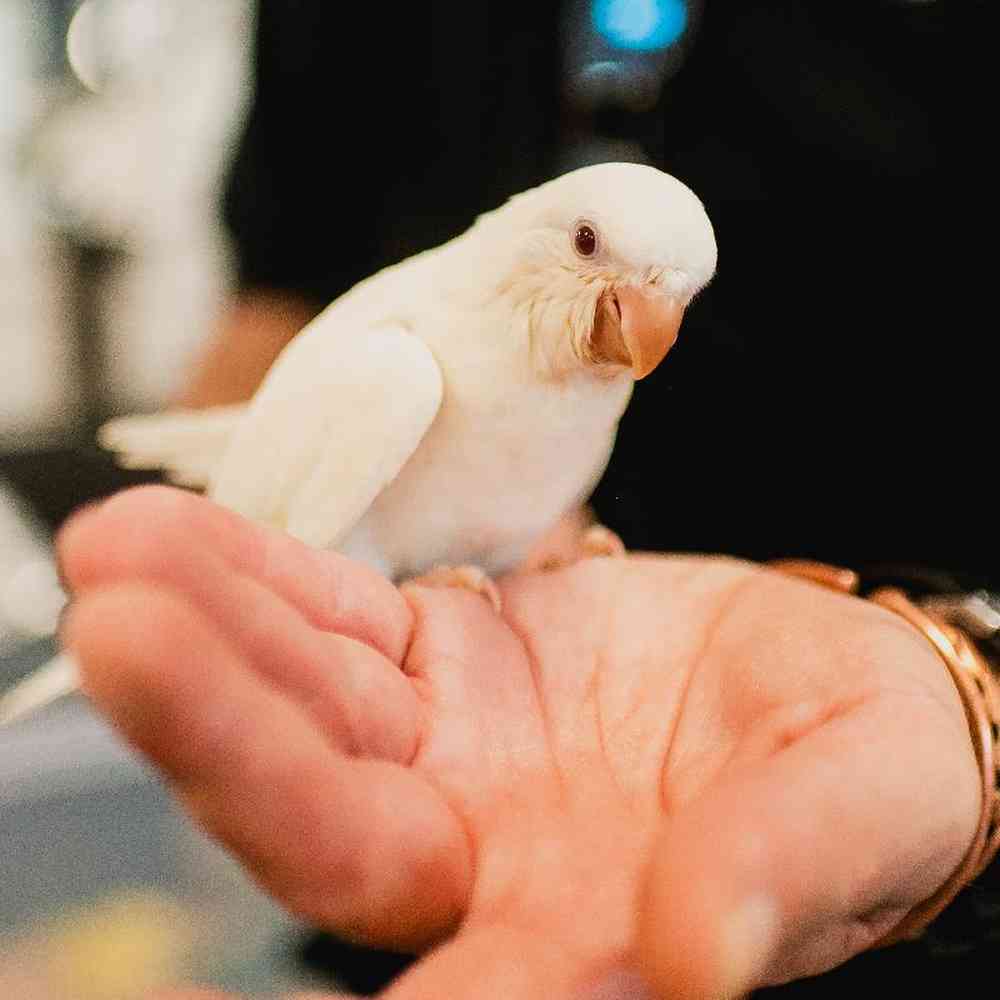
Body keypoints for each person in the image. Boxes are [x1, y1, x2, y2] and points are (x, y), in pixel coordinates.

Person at [58, 2, 997, 997]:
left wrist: (969, 679)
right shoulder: (400, 355)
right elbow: (277, 290)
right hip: (409, 845)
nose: (640, 319)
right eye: (590, 246)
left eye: (669, 298)